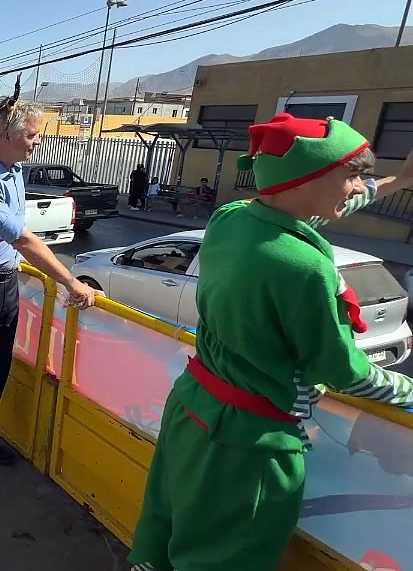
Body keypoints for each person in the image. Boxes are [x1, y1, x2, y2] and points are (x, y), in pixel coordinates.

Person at [128, 114, 413, 571]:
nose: (357, 188)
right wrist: (408, 391)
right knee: (225, 561)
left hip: (192, 410)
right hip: (247, 449)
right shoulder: (305, 267)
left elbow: (304, 208)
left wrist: (400, 180)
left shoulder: (231, 218)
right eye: (352, 175)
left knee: (164, 528)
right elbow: (341, 371)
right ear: (309, 178)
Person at [0, 76, 99, 493]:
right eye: (31, 135)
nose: (37, 142)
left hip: (5, 281)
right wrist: (70, 281)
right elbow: (23, 238)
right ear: (6, 136)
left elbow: (18, 238)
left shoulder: (13, 171)